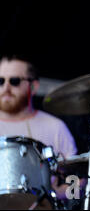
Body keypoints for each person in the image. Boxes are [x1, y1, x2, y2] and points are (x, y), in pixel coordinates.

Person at [0, 54, 78, 203]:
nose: (6, 87)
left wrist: (54, 195)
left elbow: (76, 180)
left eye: (14, 81)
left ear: (33, 86)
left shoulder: (56, 127)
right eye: (1, 81)